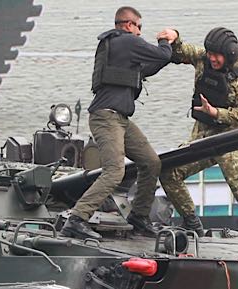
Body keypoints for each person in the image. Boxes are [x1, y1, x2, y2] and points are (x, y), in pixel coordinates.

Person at [157, 27, 238, 251]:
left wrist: (216, 113)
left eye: (216, 55)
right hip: (203, 135)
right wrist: (173, 38)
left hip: (229, 139)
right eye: (210, 53)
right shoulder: (204, 59)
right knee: (169, 171)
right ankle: (191, 222)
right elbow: (182, 52)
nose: (212, 58)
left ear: (229, 54)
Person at [61, 6, 175, 240]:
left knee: (151, 162)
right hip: (106, 117)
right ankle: (77, 219)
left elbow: (152, 66)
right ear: (129, 25)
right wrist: (167, 39)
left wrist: (168, 53)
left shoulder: (121, 48)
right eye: (139, 27)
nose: (141, 33)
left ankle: (139, 217)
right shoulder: (126, 41)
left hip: (120, 119)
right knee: (115, 172)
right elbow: (162, 54)